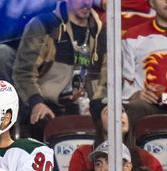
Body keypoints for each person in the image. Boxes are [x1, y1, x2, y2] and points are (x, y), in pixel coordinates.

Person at [12, 0, 107, 141]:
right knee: (40, 121)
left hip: (88, 107)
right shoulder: (44, 25)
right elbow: (24, 72)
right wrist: (37, 102)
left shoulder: (102, 33)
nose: (86, 3)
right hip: (49, 104)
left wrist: (98, 106)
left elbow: (109, 78)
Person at [67, 99, 163, 171]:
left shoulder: (145, 157)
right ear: (99, 121)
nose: (119, 115)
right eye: (110, 111)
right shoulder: (83, 153)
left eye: (122, 111)